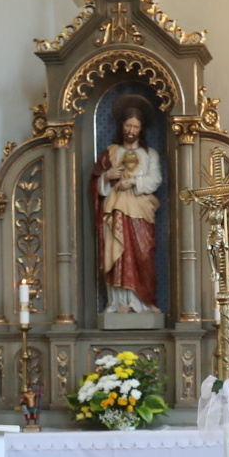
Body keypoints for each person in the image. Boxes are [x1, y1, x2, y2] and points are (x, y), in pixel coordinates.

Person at [93, 108, 162, 314]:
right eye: (127, 125)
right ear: (121, 126)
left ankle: (146, 301)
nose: (131, 130)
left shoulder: (150, 154)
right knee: (119, 253)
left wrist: (133, 181)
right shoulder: (110, 153)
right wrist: (106, 177)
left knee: (143, 254)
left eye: (135, 126)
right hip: (117, 209)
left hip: (141, 210)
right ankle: (121, 302)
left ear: (141, 129)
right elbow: (95, 183)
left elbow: (155, 180)